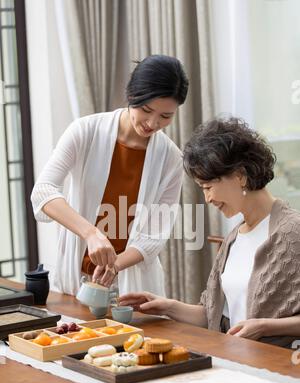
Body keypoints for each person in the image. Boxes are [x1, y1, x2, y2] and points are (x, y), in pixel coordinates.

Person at [120, 117, 300, 348]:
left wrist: (265, 326)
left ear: (240, 175)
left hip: (279, 368)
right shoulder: (234, 238)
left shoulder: (292, 233)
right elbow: (211, 314)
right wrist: (167, 306)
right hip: (238, 362)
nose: (208, 199)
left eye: (208, 187)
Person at [31, 55, 189, 296]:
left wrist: (114, 265)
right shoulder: (85, 131)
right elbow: (43, 191)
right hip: (76, 279)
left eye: (165, 116)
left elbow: (154, 236)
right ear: (131, 95)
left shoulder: (171, 159)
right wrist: (91, 233)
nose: (152, 123)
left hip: (134, 288)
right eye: (146, 110)